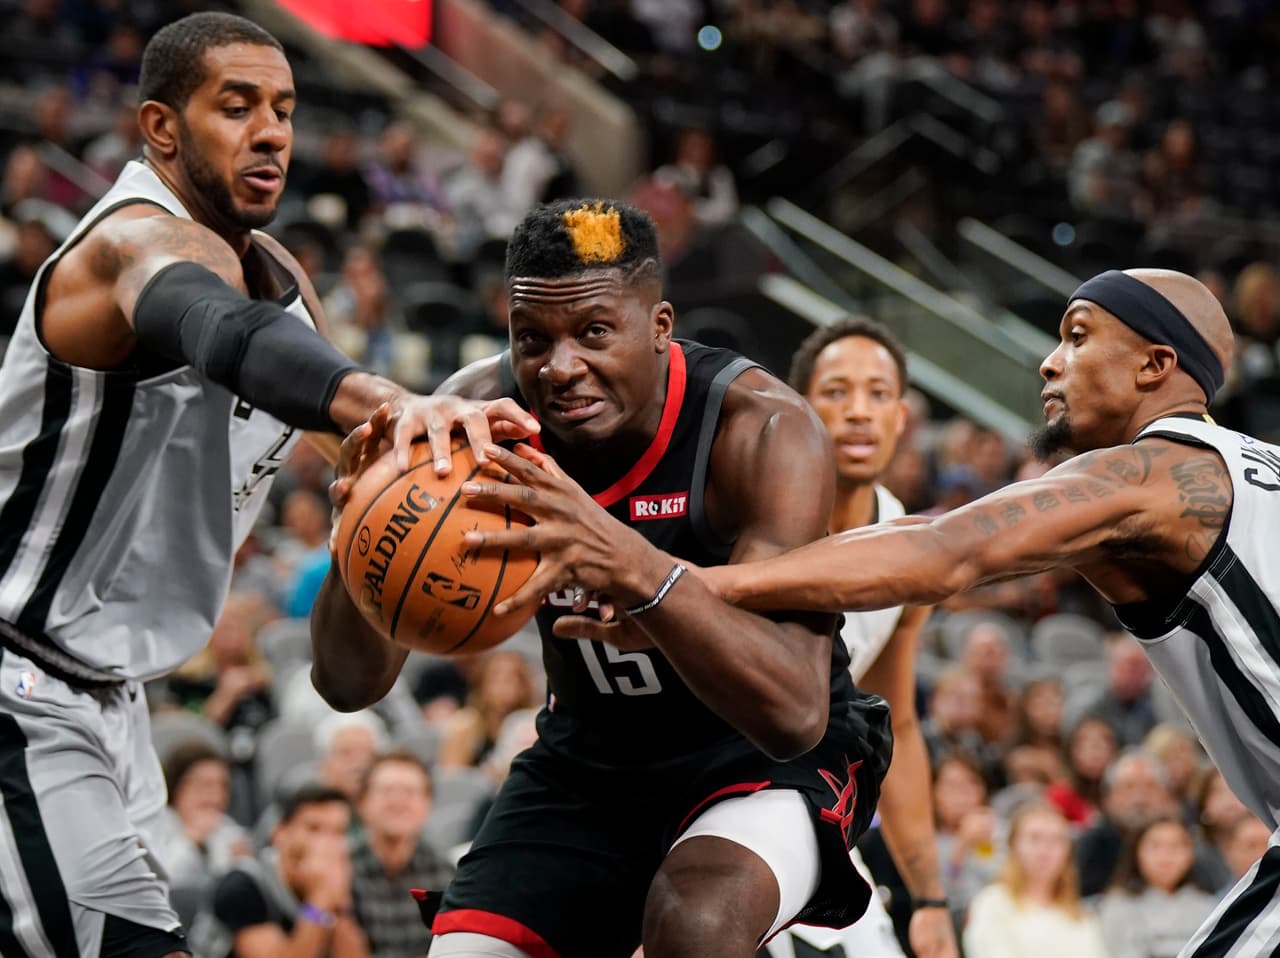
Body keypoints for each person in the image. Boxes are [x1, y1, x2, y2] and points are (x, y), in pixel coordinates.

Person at [0, 12, 534, 957]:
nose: (272, 131)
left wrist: (412, 543)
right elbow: (217, 328)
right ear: (162, 128)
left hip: (116, 710)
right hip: (17, 681)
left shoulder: (282, 283)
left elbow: (353, 658)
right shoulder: (123, 244)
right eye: (236, 106)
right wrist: (389, 398)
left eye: (284, 109)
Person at [326, 198, 893, 958]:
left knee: (693, 925)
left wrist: (638, 570)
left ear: (659, 327)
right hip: (591, 755)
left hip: (756, 756)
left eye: (593, 332)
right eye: (533, 339)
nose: (560, 368)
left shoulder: (759, 429)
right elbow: (347, 686)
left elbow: (791, 711)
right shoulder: (474, 418)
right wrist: (358, 538)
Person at [691, 266, 1280, 958]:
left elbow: (943, 549)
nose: (1049, 360)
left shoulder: (1155, 474)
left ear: (1156, 365)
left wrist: (683, 585)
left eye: (1078, 337)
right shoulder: (1256, 463)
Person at [764, 318, 957, 957]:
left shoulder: (909, 548)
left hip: (809, 817)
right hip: (694, 798)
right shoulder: (751, 511)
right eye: (837, 391)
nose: (857, 412)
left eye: (877, 395)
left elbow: (894, 721)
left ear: (902, 419)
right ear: (798, 408)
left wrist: (928, 899)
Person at [208, 784, 367, 958]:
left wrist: (340, 907)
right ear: (279, 833)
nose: (326, 844)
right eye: (314, 828)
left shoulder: (341, 881)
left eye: (338, 832)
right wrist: (320, 897)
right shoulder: (243, 885)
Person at [961, 803, 1109, 958]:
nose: (1044, 851)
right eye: (1034, 838)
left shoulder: (1081, 915)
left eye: (1056, 840)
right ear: (1013, 846)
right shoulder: (991, 902)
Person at [351, 752, 455, 958]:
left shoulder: (446, 872)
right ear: (361, 803)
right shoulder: (342, 867)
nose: (398, 802)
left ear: (428, 804)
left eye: (409, 792)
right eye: (386, 791)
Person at [1098, 815, 1219, 958]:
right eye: (1155, 846)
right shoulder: (1117, 905)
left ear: (1191, 853)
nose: (1166, 856)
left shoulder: (1210, 907)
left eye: (1176, 846)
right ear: (1136, 852)